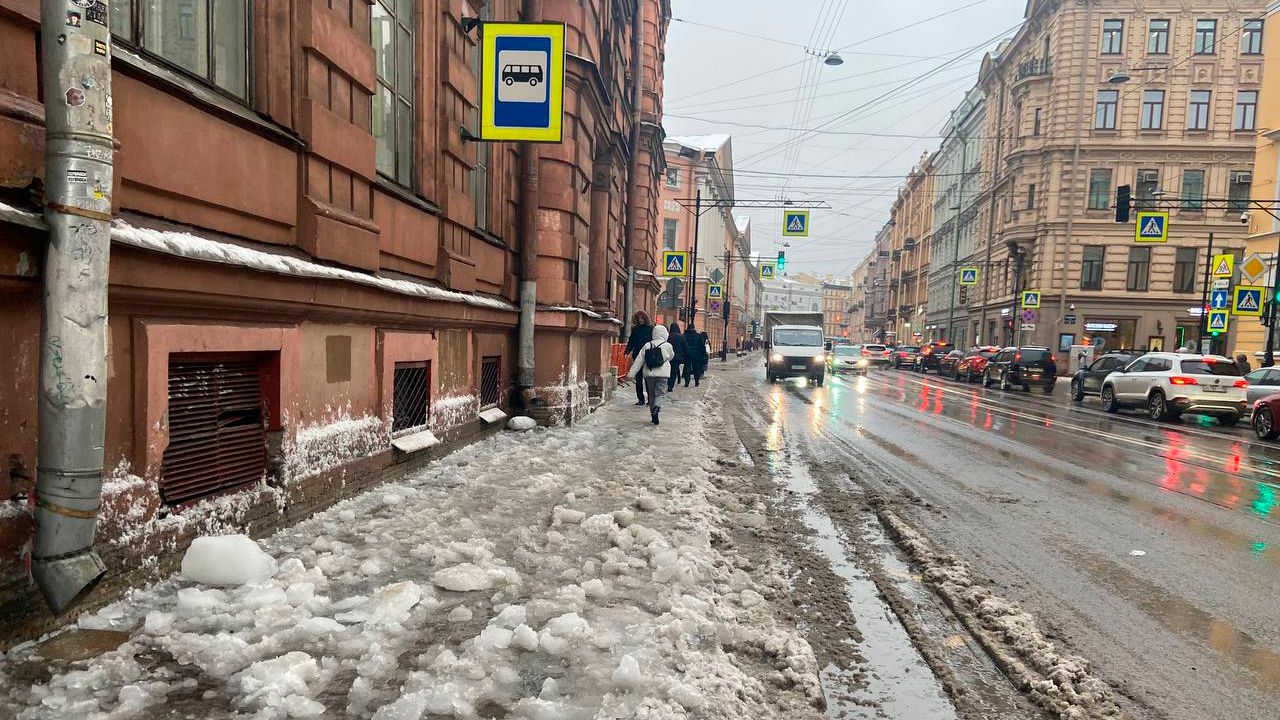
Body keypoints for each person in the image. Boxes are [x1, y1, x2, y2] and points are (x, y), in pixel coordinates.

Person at [628, 324, 674, 425]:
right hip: (663, 374)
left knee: (651, 394)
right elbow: (671, 357)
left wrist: (631, 374)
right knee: (661, 393)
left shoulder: (647, 345)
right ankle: (657, 408)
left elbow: (639, 360)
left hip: (649, 373)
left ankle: (653, 414)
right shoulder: (668, 346)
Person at [624, 311, 653, 406]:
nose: (640, 320)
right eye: (639, 318)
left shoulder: (651, 329)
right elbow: (631, 341)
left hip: (648, 356)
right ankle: (641, 399)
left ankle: (650, 399)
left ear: (645, 319)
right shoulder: (635, 329)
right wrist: (627, 351)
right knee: (638, 378)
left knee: (648, 378)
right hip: (637, 356)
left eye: (642, 318)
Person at [666, 322, 688, 392]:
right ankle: (670, 386)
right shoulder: (681, 336)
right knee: (674, 372)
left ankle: (668, 383)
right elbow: (685, 347)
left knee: (669, 371)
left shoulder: (667, 336)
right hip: (677, 357)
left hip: (668, 356)